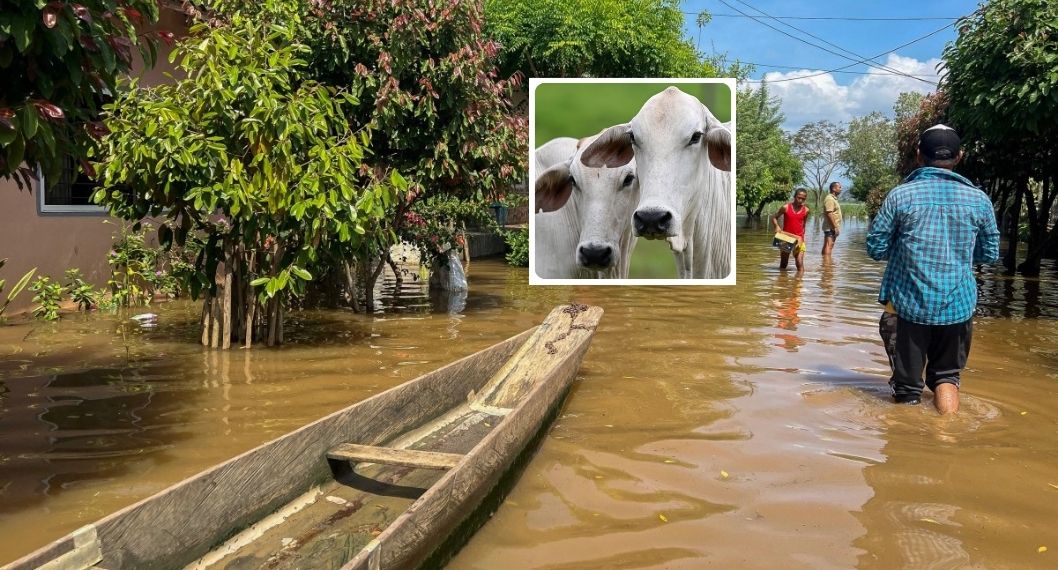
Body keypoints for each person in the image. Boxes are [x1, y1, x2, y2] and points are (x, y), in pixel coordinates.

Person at [866, 124, 1000, 413]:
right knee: (947, 377)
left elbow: (875, 248)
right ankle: (946, 438)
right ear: (959, 156)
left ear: (918, 156)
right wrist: (959, 254)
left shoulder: (900, 196)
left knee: (907, 388)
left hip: (907, 307)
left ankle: (912, 447)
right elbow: (989, 254)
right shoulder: (979, 199)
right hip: (958, 307)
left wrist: (904, 250)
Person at [772, 188, 809, 272]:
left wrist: (803, 238)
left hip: (799, 239)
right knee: (784, 263)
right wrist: (776, 226)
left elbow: (803, 226)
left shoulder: (806, 210)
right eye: (798, 197)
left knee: (799, 263)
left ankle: (799, 283)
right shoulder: (786, 207)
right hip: (786, 238)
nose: (800, 200)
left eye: (803, 199)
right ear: (794, 196)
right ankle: (782, 281)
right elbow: (774, 217)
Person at [822, 181, 843, 256]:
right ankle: (827, 266)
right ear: (834, 189)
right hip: (831, 227)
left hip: (832, 227)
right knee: (829, 245)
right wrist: (835, 227)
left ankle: (824, 263)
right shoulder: (830, 199)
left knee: (827, 245)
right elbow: (829, 213)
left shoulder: (833, 199)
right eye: (839, 187)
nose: (841, 189)